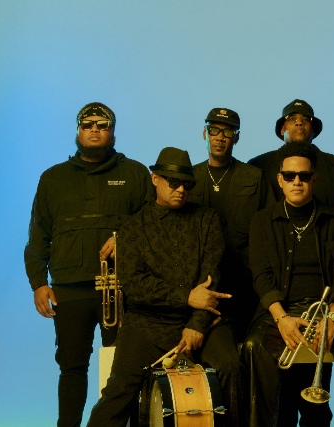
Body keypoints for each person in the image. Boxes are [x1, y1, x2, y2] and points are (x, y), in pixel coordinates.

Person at [86, 147, 245, 427]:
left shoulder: (208, 220)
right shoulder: (133, 227)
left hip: (204, 322)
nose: (181, 189)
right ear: (155, 179)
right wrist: (186, 297)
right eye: (173, 182)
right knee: (119, 389)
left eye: (187, 184)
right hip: (147, 324)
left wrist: (196, 325)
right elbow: (134, 285)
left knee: (231, 367)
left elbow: (212, 281)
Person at [24, 102, 154, 427]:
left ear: (112, 130)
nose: (94, 129)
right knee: (71, 367)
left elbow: (154, 223)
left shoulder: (136, 173)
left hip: (121, 288)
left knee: (123, 369)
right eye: (87, 123)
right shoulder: (53, 178)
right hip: (69, 290)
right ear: (78, 130)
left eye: (102, 124)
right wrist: (38, 283)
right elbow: (38, 234)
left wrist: (125, 238)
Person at [243, 142, 334, 427]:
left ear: (314, 180)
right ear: (280, 180)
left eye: (304, 176)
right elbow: (261, 275)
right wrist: (281, 318)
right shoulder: (262, 221)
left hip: (330, 310)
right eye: (289, 176)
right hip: (279, 311)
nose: (296, 181)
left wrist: (332, 316)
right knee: (253, 347)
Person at [189, 108, 275, 340]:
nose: (220, 137)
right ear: (205, 133)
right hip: (200, 284)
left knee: (247, 346)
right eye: (214, 130)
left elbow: (269, 230)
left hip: (245, 283)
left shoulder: (254, 177)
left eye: (228, 132)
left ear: (236, 138)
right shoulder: (189, 178)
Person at [248, 99, 334, 206]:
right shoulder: (257, 166)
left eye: (306, 119)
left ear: (314, 129)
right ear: (282, 129)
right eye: (292, 119)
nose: (299, 122)